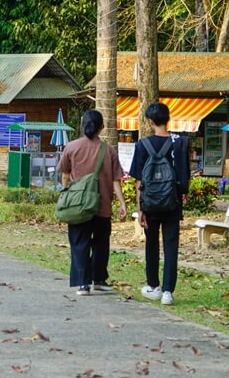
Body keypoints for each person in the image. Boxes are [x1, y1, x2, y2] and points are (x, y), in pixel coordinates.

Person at [57, 110, 127, 296]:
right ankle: (99, 280)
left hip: (77, 206)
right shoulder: (108, 150)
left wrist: (67, 194)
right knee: (101, 244)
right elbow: (115, 180)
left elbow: (64, 175)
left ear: (82, 125)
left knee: (79, 243)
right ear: (102, 127)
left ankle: (83, 284)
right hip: (101, 207)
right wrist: (122, 204)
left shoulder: (71, 147)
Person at [129, 102, 190, 306]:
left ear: (150, 121)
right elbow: (183, 174)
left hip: (150, 202)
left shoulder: (142, 145)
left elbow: (139, 180)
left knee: (151, 244)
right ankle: (167, 292)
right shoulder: (179, 143)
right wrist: (183, 195)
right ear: (168, 119)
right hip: (172, 202)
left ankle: (153, 286)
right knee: (171, 246)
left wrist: (140, 208)